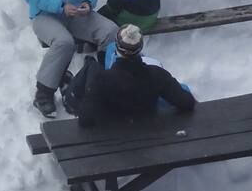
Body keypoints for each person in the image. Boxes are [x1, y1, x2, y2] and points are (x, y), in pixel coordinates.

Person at [65, 24, 195, 126]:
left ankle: (69, 92)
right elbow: (187, 102)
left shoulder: (102, 79)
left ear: (117, 45)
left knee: (91, 66)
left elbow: (86, 120)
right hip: (147, 129)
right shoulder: (157, 75)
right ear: (140, 48)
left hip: (112, 137)